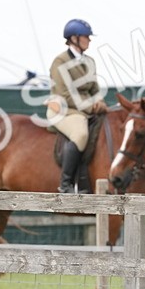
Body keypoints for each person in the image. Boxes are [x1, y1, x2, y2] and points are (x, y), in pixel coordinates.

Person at [48, 18, 108, 194]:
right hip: (64, 110)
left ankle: (85, 183)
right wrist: (91, 108)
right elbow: (64, 94)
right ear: (74, 38)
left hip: (84, 109)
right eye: (86, 37)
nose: (89, 40)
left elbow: (94, 88)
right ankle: (65, 184)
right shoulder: (60, 62)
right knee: (81, 134)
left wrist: (100, 103)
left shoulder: (90, 61)